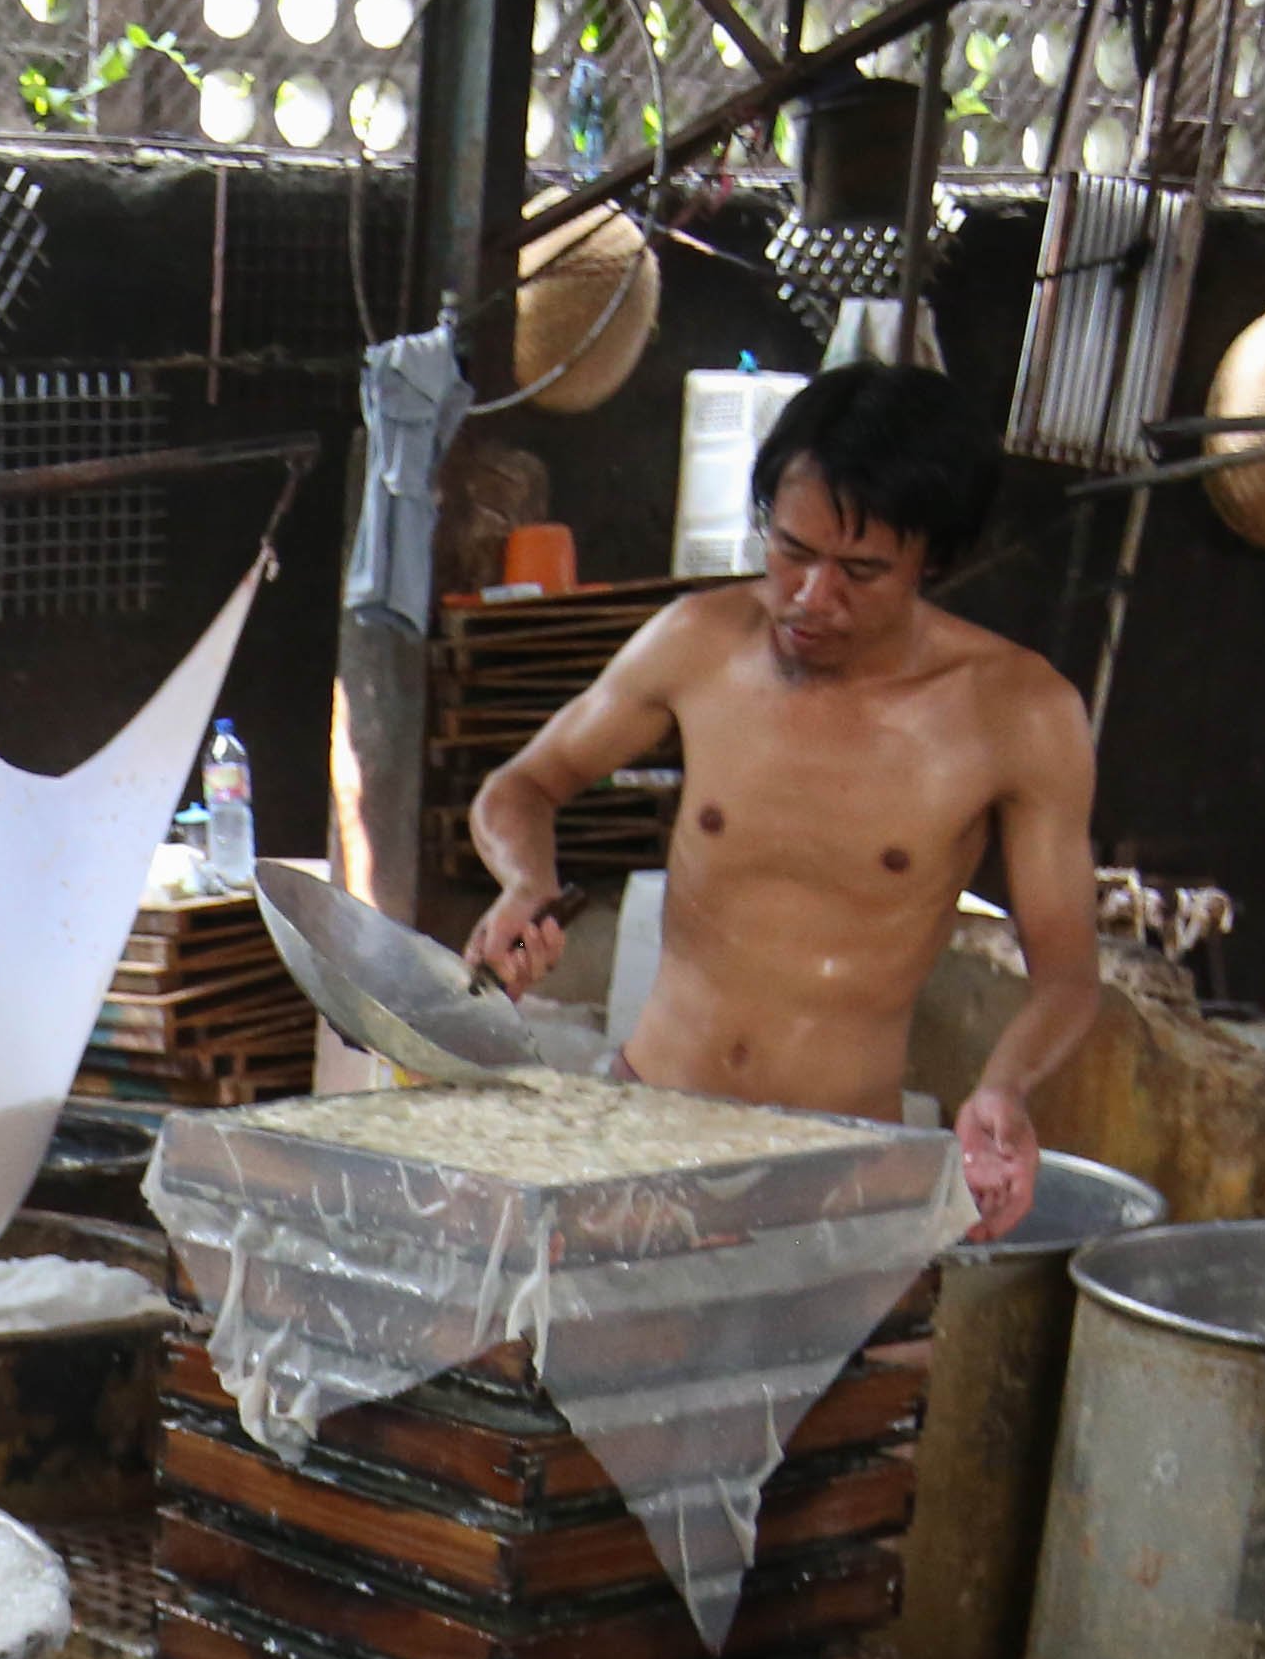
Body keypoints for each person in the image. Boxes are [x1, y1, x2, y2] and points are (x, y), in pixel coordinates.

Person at [462, 362, 1096, 1238]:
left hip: (836, 1168)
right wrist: (524, 885)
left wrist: (1004, 1088)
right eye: (790, 550)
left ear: (932, 560)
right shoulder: (697, 642)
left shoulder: (1019, 713)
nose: (809, 597)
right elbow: (521, 786)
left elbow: (1066, 978)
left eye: (860, 572)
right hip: (643, 1126)